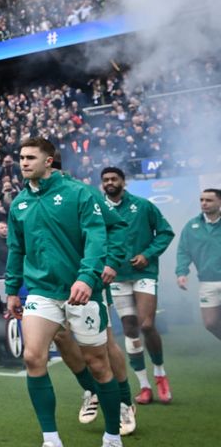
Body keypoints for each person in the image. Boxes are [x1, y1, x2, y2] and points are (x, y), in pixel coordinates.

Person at [5, 137, 123, 447]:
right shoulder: (19, 203)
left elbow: (98, 237)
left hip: (82, 291)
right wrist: (12, 290)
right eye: (21, 157)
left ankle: (112, 436)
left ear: (48, 161)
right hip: (42, 292)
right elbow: (16, 249)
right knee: (33, 358)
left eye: (31, 157)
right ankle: (51, 439)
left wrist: (87, 277)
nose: (24, 162)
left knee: (98, 364)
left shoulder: (79, 193)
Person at [47, 159, 135, 436]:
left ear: (51, 166)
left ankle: (123, 403)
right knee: (60, 337)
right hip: (52, 283)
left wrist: (111, 261)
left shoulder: (83, 192)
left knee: (105, 344)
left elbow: (117, 226)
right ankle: (90, 390)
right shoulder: (30, 198)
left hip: (89, 280)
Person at [100, 166, 175, 404]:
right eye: (106, 180)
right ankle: (144, 386)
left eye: (114, 178)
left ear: (123, 181)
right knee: (130, 329)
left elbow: (165, 233)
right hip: (117, 276)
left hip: (144, 272)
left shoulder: (143, 205)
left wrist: (147, 254)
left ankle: (160, 374)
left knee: (147, 324)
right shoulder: (98, 209)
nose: (110, 182)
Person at [176, 188, 221, 341]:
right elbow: (183, 251)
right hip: (207, 281)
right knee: (210, 323)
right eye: (202, 200)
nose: (204, 203)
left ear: (219, 202)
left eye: (209, 200)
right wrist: (181, 273)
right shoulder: (192, 226)